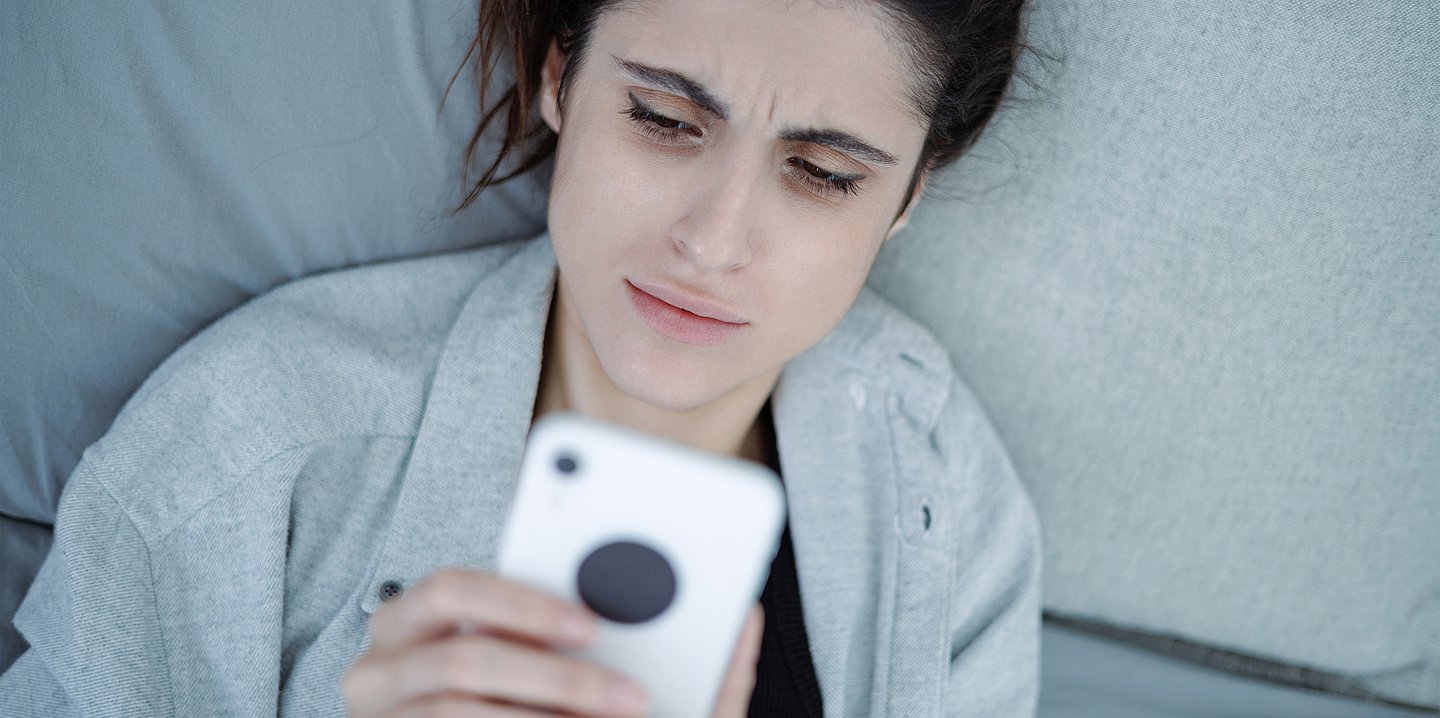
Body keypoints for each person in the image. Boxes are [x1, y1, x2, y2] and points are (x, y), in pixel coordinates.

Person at [0, 0, 1042, 715]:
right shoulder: (252, 447)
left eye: (821, 174)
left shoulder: (942, 496)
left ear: (907, 198)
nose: (715, 241)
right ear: (560, 77)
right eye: (665, 119)